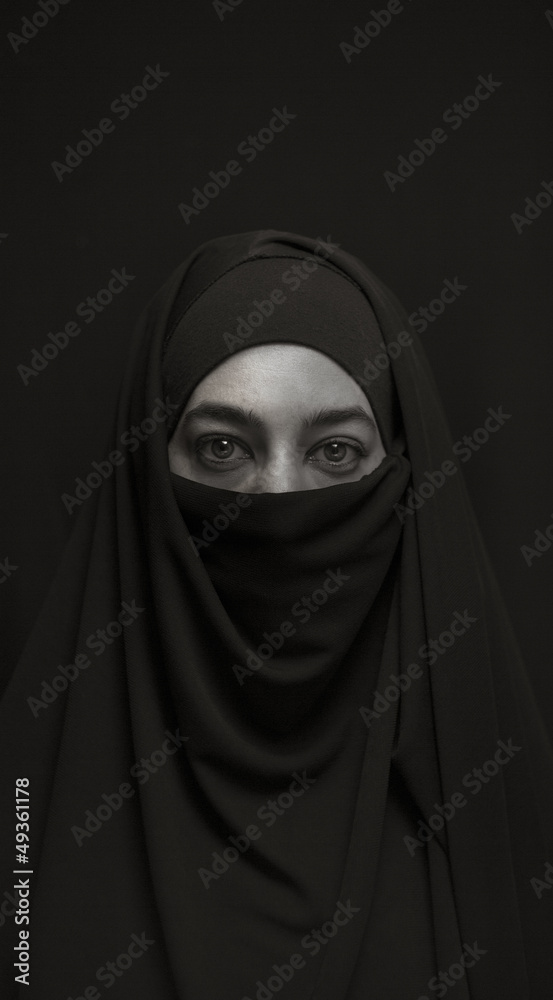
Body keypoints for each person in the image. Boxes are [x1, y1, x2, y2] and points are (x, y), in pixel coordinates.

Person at [1, 229, 552, 998]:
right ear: (150, 475)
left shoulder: (486, 805)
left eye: (334, 452)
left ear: (397, 469)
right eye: (224, 447)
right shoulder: (23, 814)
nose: (278, 499)